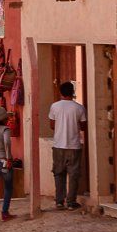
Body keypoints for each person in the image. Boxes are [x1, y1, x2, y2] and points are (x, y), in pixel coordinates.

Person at [49, 81, 87, 210]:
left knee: (58, 173)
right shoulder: (79, 108)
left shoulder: (54, 106)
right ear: (73, 92)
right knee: (73, 174)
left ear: (60, 92)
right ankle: (71, 202)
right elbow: (83, 126)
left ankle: (59, 201)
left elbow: (52, 125)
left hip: (58, 145)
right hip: (74, 145)